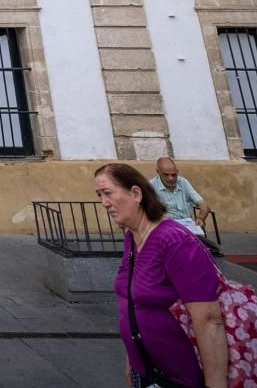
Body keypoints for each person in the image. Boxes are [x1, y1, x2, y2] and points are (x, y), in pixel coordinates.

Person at [95, 163, 229, 388]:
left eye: (108, 193)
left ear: (136, 193)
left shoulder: (175, 241)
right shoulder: (132, 237)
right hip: (146, 371)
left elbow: (209, 319)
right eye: (99, 195)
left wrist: (215, 384)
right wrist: (132, 358)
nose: (104, 203)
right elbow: (134, 303)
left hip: (181, 377)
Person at [151, 157, 219, 253]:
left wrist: (201, 218)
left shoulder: (183, 182)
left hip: (187, 229)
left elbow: (204, 205)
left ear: (177, 172)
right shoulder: (151, 186)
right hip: (165, 230)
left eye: (174, 175)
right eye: (166, 175)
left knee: (213, 250)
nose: (171, 178)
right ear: (158, 172)